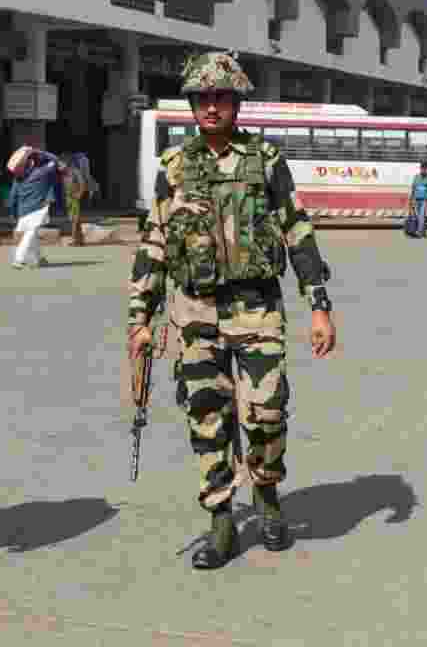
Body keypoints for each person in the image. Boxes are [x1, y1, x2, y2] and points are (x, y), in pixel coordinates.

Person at [128, 52, 337, 571]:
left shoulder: (266, 159)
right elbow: (154, 241)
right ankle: (221, 520)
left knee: (266, 412)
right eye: (202, 97)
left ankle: (266, 497)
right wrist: (140, 318)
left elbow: (297, 231)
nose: (212, 106)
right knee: (207, 417)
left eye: (221, 97)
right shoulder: (173, 167)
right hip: (193, 310)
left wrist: (319, 307)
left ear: (237, 102)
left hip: (257, 310)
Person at [9, 147, 59, 269]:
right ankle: (18, 259)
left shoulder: (18, 179)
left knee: (32, 234)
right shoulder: (42, 172)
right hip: (37, 208)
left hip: (23, 211)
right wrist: (39, 151)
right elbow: (55, 160)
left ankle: (39, 259)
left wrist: (13, 213)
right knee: (30, 234)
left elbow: (12, 197)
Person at [408, 161, 427, 238]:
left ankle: (419, 233)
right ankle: (423, 232)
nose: (423, 170)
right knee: (417, 217)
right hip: (416, 200)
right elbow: (413, 188)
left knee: (421, 216)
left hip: (424, 200)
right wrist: (411, 200)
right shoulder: (416, 177)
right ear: (420, 168)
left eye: (424, 168)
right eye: (422, 168)